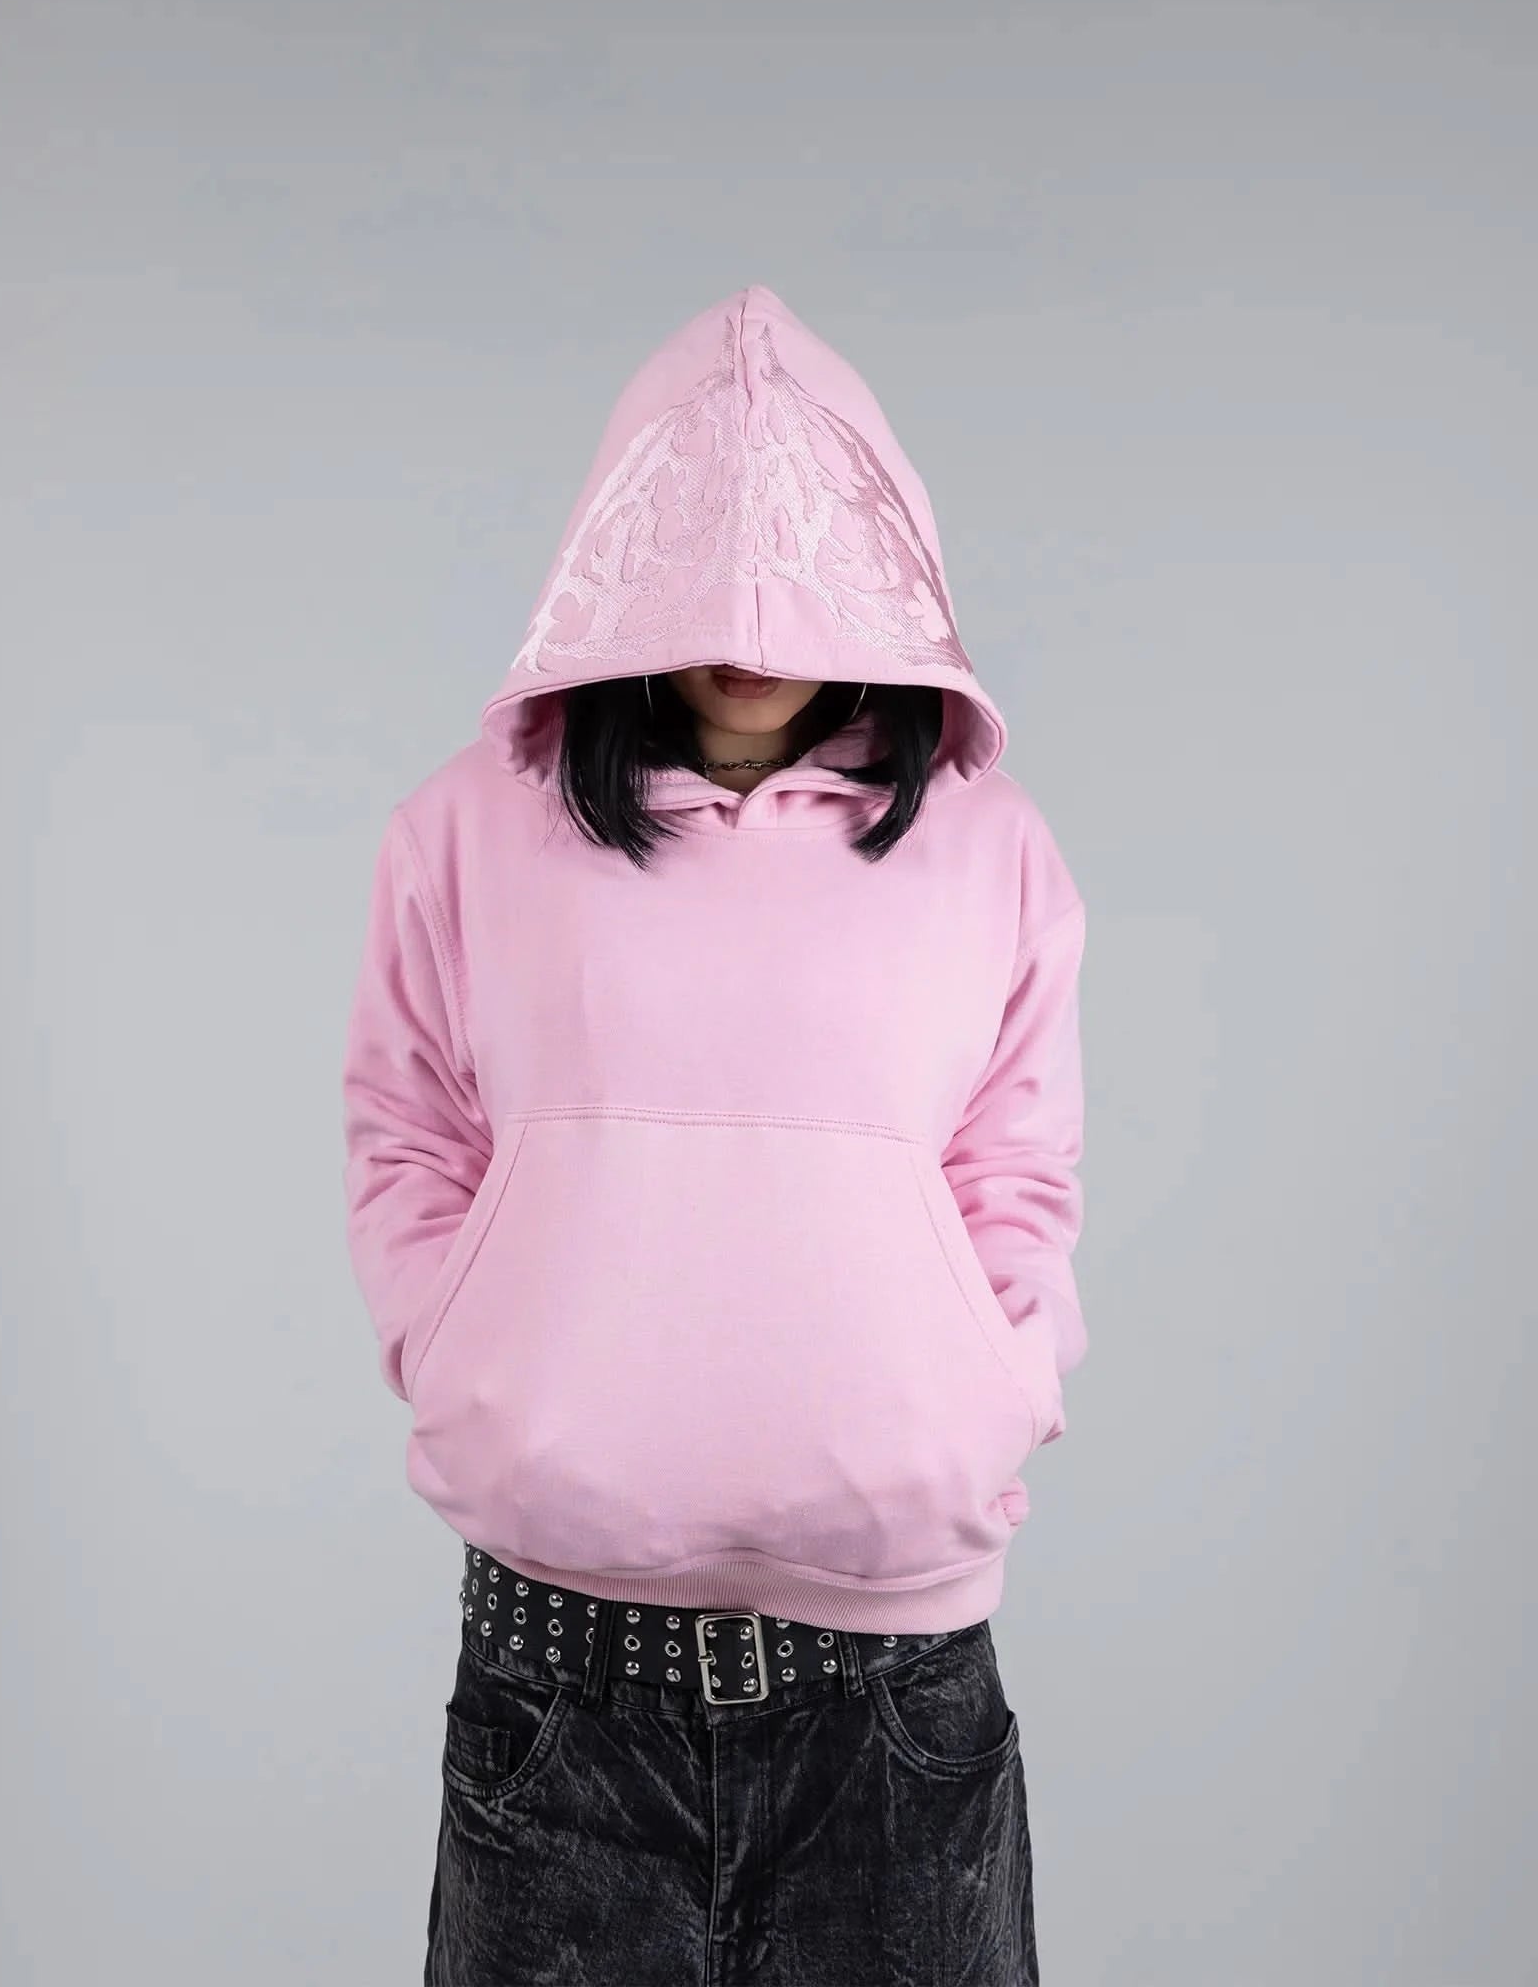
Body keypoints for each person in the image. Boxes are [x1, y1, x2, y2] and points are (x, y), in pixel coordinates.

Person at [340, 284, 1088, 1986]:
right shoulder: (462, 834)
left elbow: (1017, 1165)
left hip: (892, 1707)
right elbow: (409, 1125)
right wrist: (462, 1353)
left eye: (798, 561)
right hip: (560, 1692)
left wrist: (992, 1383)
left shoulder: (993, 850)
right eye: (705, 559)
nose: (753, 620)